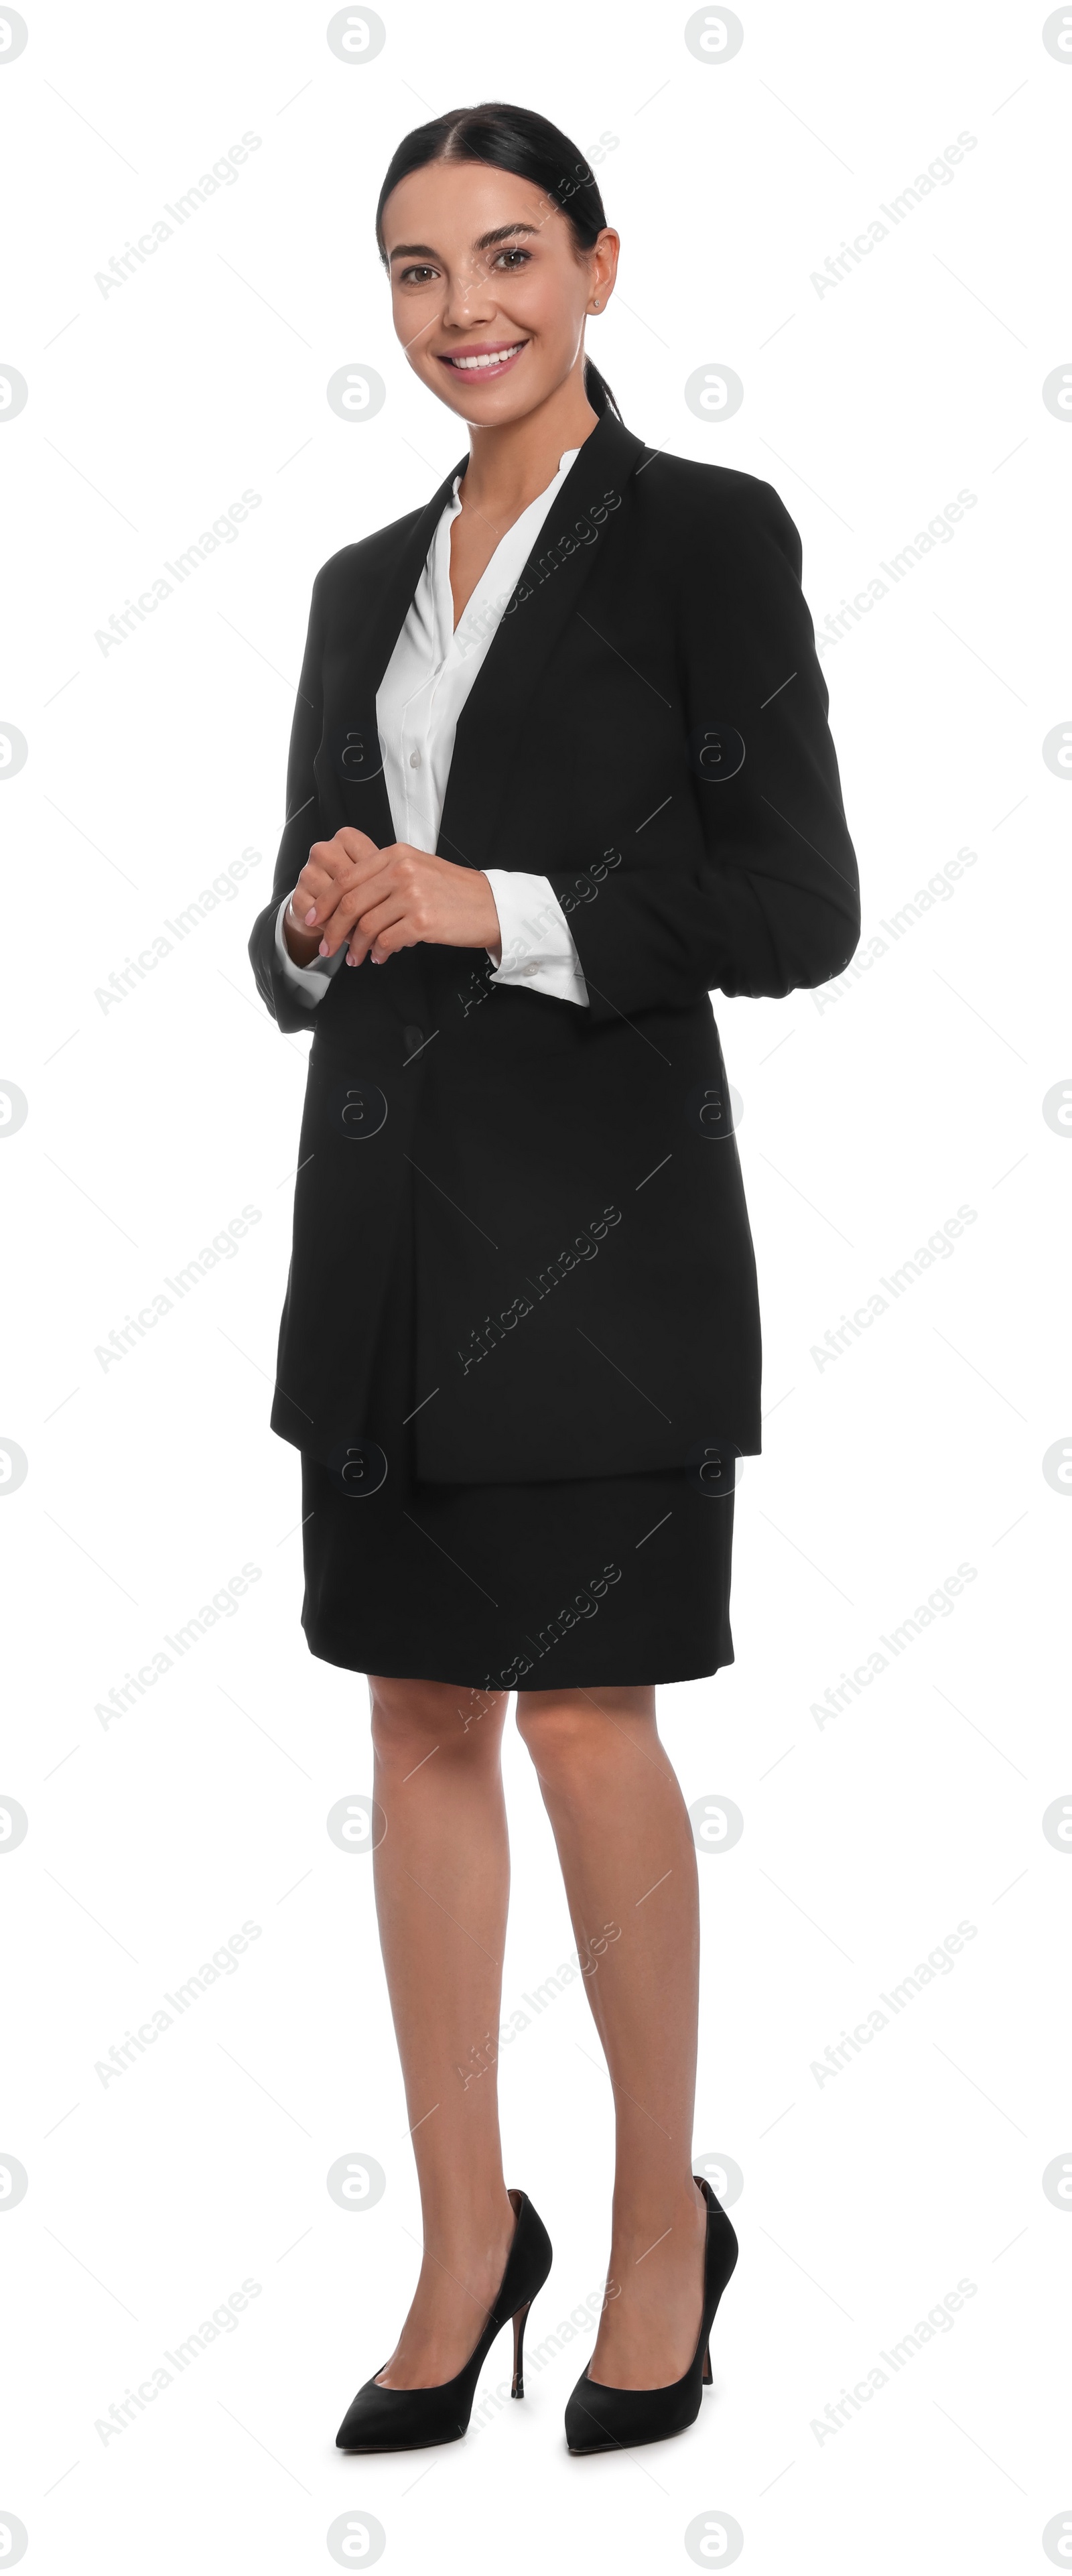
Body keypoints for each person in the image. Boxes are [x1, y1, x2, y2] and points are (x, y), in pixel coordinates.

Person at [247, 99, 860, 2456]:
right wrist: (315, 927)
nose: (463, 309)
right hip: (385, 1253)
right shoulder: (349, 588)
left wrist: (481, 902)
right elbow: (308, 914)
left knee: (596, 1725)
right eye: (416, 272)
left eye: (508, 255)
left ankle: (647, 2235)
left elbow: (797, 910)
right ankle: (454, 2232)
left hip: (606, 1254)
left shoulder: (706, 540)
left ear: (603, 264)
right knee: (412, 1730)